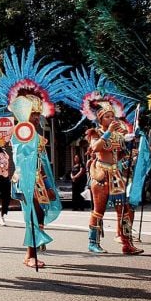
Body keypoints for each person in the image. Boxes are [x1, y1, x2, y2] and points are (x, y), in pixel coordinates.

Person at [0, 44, 66, 268]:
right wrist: (22, 178)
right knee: (32, 213)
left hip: (39, 179)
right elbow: (20, 157)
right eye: (32, 114)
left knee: (40, 214)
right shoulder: (19, 131)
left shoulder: (37, 134)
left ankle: (35, 247)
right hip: (24, 178)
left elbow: (42, 161)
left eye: (37, 115)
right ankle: (29, 254)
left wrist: (49, 182)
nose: (35, 119)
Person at [62, 68, 143, 255]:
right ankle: (93, 242)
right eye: (107, 116)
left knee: (123, 211)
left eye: (112, 116)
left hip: (116, 174)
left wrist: (132, 140)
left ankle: (126, 243)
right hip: (100, 174)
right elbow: (96, 147)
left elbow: (122, 150)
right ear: (100, 119)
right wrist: (108, 133)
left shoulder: (117, 134)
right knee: (99, 210)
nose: (111, 118)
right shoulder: (94, 133)